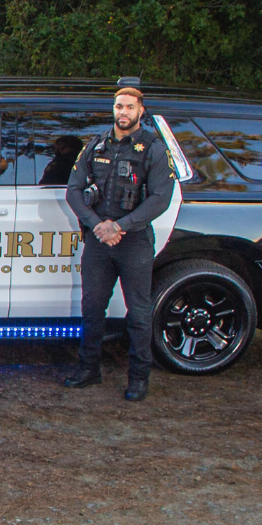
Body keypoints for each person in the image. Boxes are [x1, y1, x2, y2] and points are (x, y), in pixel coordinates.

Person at [63, 78, 177, 402]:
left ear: (140, 110)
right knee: (91, 307)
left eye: (129, 106)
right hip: (99, 240)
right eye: (118, 106)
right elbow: (73, 189)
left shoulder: (153, 148)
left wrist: (120, 226)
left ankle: (139, 378)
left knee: (139, 313)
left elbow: (159, 199)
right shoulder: (97, 144)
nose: (123, 112)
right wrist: (98, 225)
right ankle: (88, 369)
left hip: (134, 242)